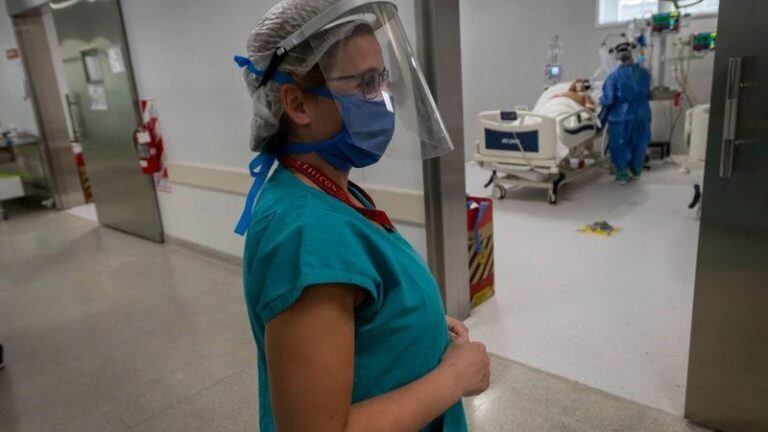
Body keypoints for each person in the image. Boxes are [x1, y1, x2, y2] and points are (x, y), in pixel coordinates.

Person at [233, 1, 490, 431]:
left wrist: (415, 322)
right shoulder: (305, 235)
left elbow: (362, 305)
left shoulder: (329, 189)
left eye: (384, 79)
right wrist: (453, 378)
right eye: (366, 83)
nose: (384, 98)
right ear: (297, 104)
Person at [599, 41, 652, 184]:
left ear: (617, 56)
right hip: (642, 113)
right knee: (640, 141)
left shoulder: (614, 77)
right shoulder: (645, 74)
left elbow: (608, 99)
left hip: (621, 115)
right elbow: (647, 93)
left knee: (619, 142)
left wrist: (599, 103)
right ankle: (636, 171)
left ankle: (622, 173)